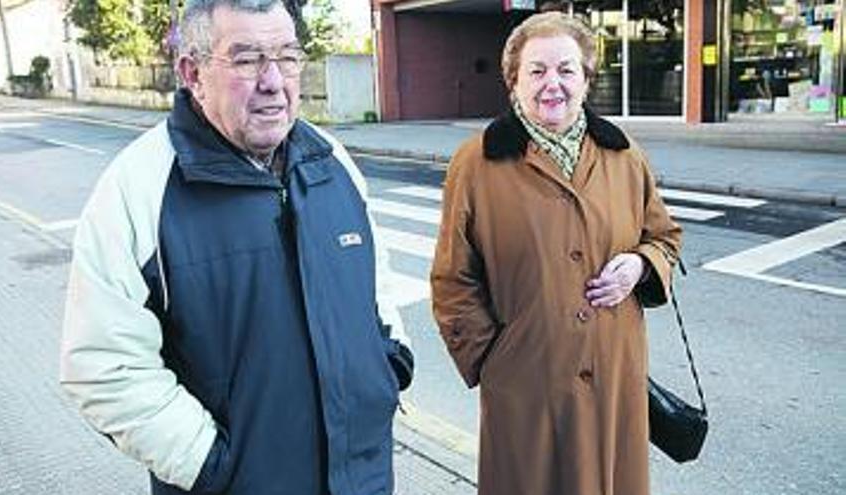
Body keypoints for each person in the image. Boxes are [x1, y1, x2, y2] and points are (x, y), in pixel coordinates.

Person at [59, 1, 413, 494]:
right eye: (246, 59)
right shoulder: (137, 188)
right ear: (193, 73)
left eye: (288, 56)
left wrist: (390, 364)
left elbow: (377, 287)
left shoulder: (334, 164)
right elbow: (103, 367)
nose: (274, 81)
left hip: (363, 480)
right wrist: (217, 468)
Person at [431, 12, 682, 495]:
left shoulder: (624, 154)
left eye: (567, 70)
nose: (553, 84)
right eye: (538, 71)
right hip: (525, 384)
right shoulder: (476, 162)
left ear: (586, 80)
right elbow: (451, 279)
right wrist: (496, 362)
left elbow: (664, 236)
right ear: (514, 82)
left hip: (614, 378)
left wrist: (640, 264)